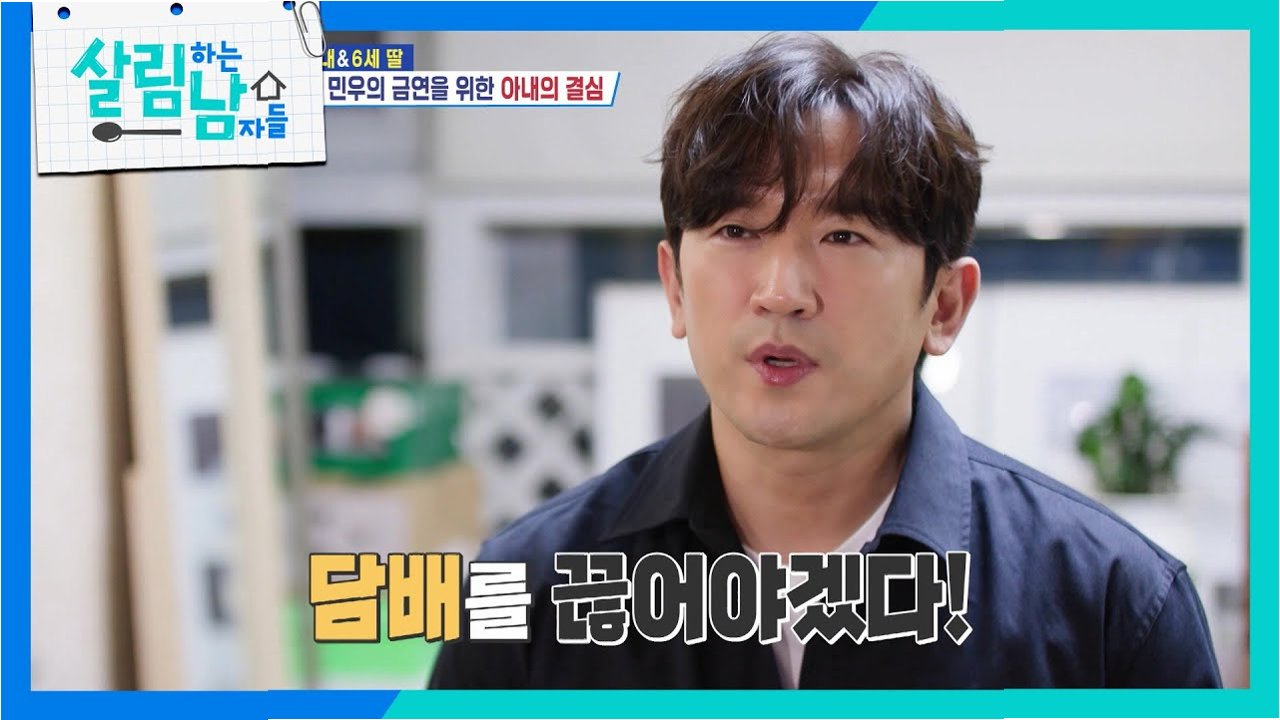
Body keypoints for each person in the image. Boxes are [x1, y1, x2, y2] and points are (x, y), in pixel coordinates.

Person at [429, 33, 1222, 689]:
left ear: (944, 305)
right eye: (737, 232)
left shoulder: (1113, 607)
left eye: (845, 236)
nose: (781, 292)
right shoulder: (526, 593)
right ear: (674, 287)